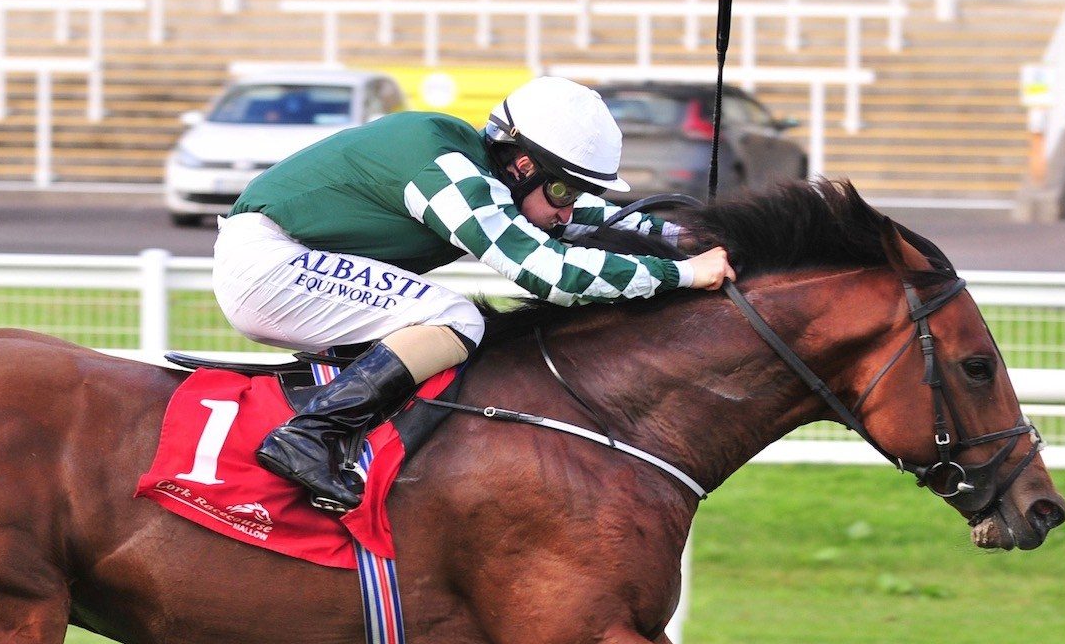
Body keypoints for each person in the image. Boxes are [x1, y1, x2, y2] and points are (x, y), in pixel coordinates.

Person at [213, 75, 736, 513]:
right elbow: (552, 275)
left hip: (286, 263)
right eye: (563, 191)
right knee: (455, 315)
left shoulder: (478, 170)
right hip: (267, 265)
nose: (568, 210)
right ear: (522, 164)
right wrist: (686, 274)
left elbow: (589, 222)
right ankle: (310, 435)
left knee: (443, 315)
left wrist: (687, 237)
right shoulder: (442, 166)